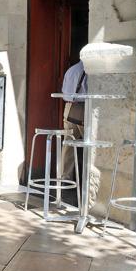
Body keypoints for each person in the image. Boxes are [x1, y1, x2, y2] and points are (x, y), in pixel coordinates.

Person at [61, 59, 87, 206]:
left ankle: (65, 177)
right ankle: (86, 179)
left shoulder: (71, 70)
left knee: (68, 145)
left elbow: (65, 91)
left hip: (69, 107)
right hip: (83, 109)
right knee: (89, 146)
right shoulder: (89, 71)